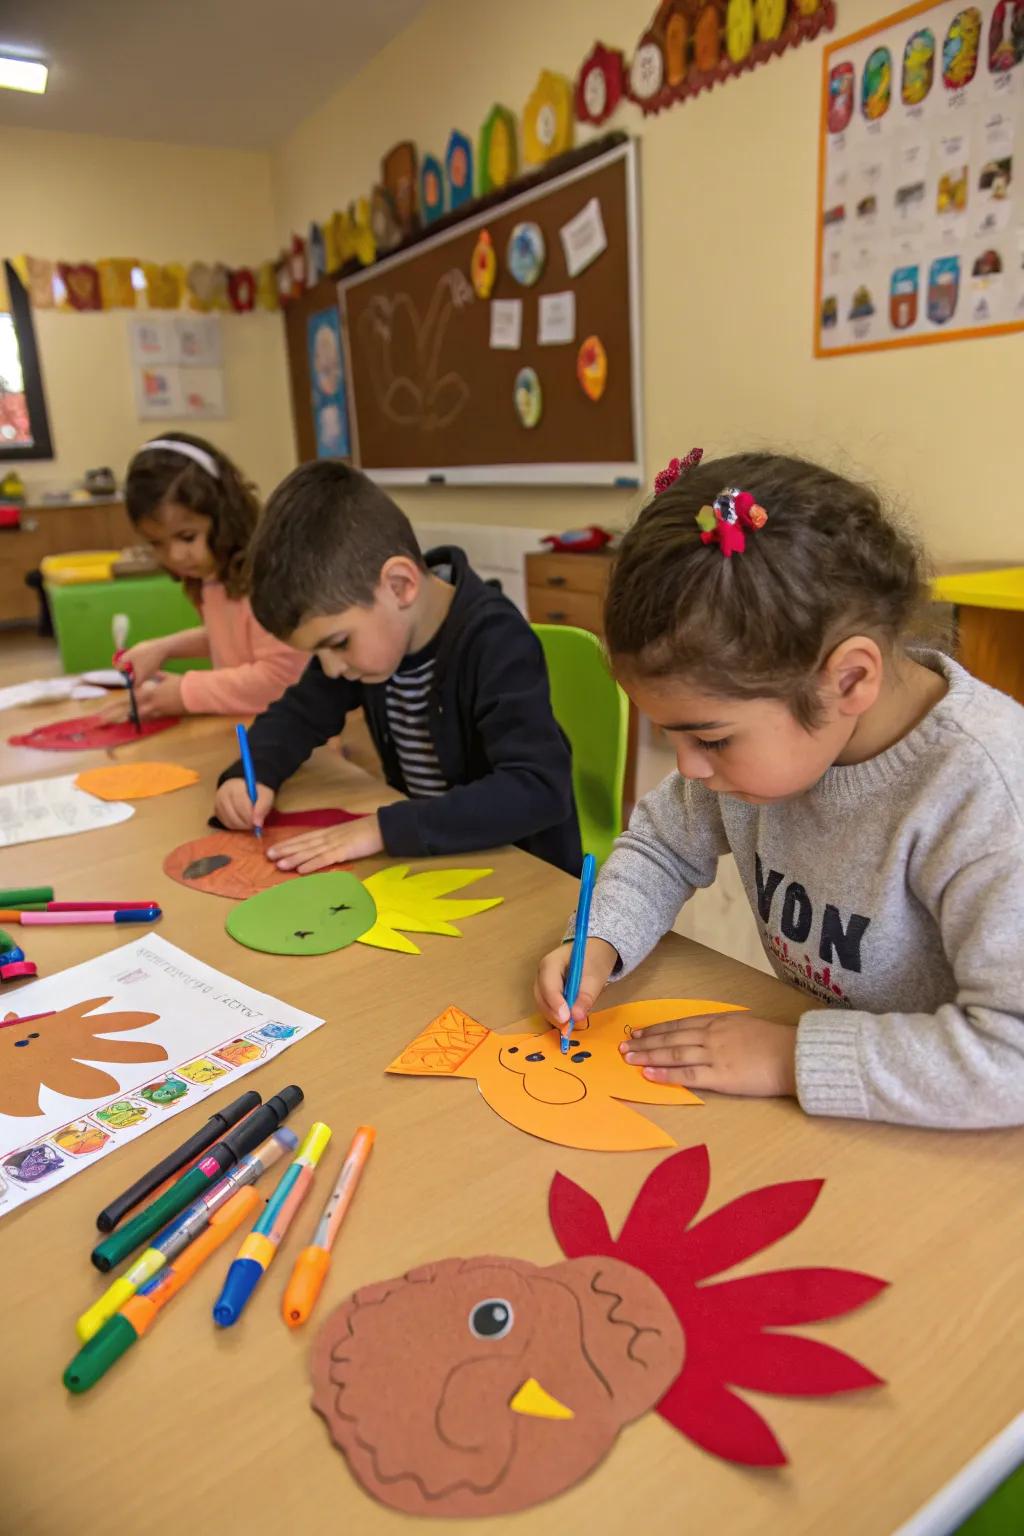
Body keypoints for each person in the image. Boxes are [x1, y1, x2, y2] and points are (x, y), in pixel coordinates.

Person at [535, 450, 1024, 1130]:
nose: (692, 770)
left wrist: (792, 1058)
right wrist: (601, 939)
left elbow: (1011, 1055)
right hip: (832, 1114)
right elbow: (660, 847)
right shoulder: (766, 743)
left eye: (708, 739)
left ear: (849, 680)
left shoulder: (988, 794)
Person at [213, 460, 581, 874]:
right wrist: (252, 774)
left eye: (336, 644)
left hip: (523, 871)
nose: (331, 669)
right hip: (431, 859)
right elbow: (298, 714)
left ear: (399, 586)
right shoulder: (372, 643)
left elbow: (538, 788)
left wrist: (383, 830)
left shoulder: (495, 640)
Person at [110, 434, 307, 718]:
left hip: (305, 739)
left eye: (187, 537)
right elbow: (234, 637)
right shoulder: (213, 576)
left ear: (224, 515)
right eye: (157, 543)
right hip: (251, 726)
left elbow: (282, 679)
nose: (175, 556)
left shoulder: (269, 578)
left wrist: (185, 692)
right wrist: (163, 649)